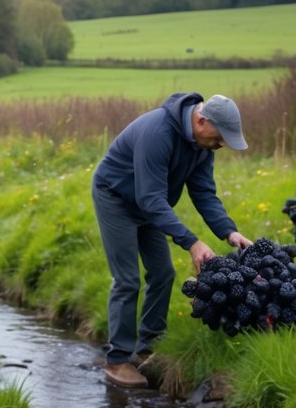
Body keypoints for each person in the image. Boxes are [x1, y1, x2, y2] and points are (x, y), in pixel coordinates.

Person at [91, 92, 252, 388]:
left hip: (150, 203)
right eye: (219, 138)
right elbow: (150, 199)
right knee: (127, 279)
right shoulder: (158, 132)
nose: (220, 145)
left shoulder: (203, 147)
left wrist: (230, 232)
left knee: (163, 272)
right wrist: (191, 242)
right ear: (202, 120)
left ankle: (148, 346)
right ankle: (117, 361)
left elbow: (203, 194)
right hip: (115, 197)